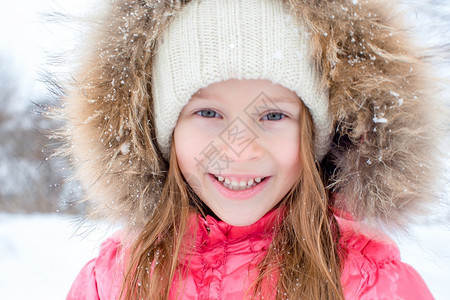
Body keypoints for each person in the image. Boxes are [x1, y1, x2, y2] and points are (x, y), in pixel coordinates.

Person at [62, 0, 444, 299]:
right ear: (165, 132)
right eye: (208, 112)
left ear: (315, 136)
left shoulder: (370, 284)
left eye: (273, 115)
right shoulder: (113, 282)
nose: (240, 149)